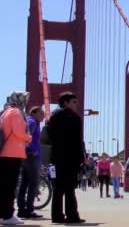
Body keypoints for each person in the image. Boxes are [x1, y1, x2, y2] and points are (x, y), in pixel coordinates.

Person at [47, 92, 85, 224]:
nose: (77, 104)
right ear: (66, 103)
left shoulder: (53, 117)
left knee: (58, 187)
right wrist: (82, 157)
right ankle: (72, 216)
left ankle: (56, 216)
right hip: (71, 157)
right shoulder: (74, 118)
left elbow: (50, 137)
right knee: (70, 187)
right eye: (74, 101)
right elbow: (78, 140)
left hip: (58, 157)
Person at [0, 91, 32, 225]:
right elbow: (18, 131)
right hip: (13, 153)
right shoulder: (15, 112)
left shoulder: (5, 111)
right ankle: (8, 216)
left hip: (5, 153)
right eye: (25, 99)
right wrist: (28, 137)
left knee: (4, 185)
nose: (26, 102)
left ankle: (4, 214)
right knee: (10, 185)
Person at [17, 106, 45, 219]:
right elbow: (25, 137)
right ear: (34, 113)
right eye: (41, 113)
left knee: (24, 183)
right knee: (33, 184)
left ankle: (21, 210)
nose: (43, 115)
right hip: (32, 157)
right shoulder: (32, 122)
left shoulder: (31, 121)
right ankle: (29, 210)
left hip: (27, 157)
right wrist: (29, 151)